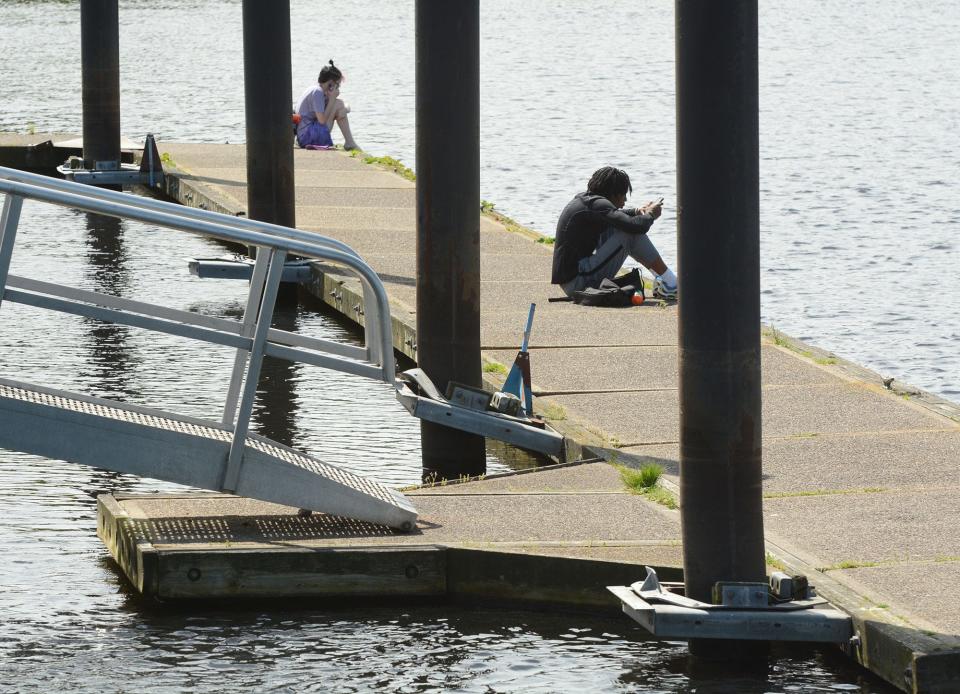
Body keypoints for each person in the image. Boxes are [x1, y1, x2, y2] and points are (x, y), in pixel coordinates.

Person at [551, 166, 678, 300]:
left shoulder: (588, 201)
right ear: (613, 194)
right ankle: (671, 283)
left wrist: (636, 211)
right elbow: (636, 226)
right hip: (577, 282)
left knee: (620, 226)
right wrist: (651, 214)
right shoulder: (598, 205)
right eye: (623, 195)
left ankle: (663, 279)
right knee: (629, 233)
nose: (625, 201)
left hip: (574, 279)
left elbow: (617, 216)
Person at [294, 60, 359, 150]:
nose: (338, 88)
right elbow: (322, 121)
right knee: (337, 103)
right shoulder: (318, 92)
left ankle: (350, 142)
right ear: (331, 83)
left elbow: (341, 106)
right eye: (338, 85)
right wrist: (332, 99)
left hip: (306, 135)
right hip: (308, 137)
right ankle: (350, 142)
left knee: (339, 105)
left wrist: (343, 108)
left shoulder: (316, 90)